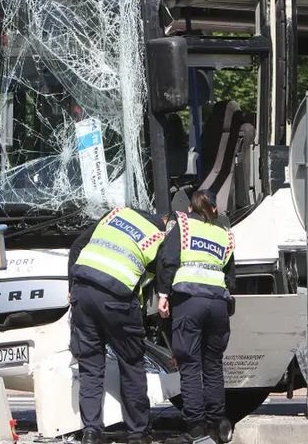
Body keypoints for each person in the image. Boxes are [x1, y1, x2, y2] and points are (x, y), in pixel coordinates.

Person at [69, 207, 166, 444]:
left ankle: (91, 431)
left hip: (82, 290)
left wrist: (71, 286)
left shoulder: (117, 214)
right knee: (131, 364)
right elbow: (165, 276)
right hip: (117, 299)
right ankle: (138, 433)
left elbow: (76, 246)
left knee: (90, 366)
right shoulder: (159, 236)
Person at [157, 190, 236, 444]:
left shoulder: (183, 225)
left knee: (190, 364)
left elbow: (168, 260)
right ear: (214, 209)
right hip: (217, 304)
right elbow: (230, 276)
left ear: (190, 209)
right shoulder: (224, 234)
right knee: (212, 363)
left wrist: (162, 294)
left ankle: (195, 426)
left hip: (189, 301)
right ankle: (219, 422)